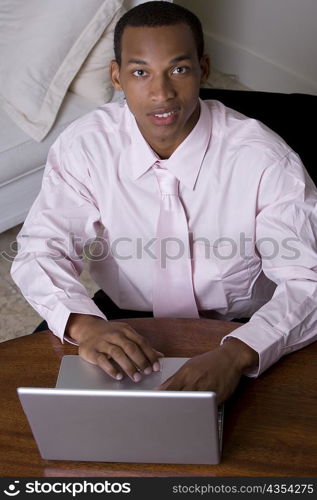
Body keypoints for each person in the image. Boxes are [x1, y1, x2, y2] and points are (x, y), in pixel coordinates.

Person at [11, 1, 317, 404]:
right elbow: (39, 250)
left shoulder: (264, 160)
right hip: (125, 318)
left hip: (242, 326)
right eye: (141, 72)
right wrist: (85, 326)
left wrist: (237, 353)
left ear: (203, 69)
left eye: (178, 69)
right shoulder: (85, 147)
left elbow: (307, 283)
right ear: (116, 76)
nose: (161, 93)